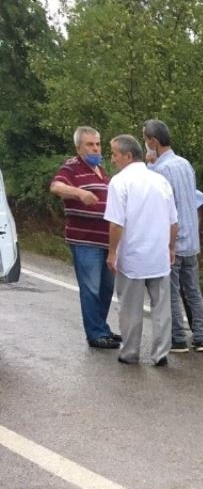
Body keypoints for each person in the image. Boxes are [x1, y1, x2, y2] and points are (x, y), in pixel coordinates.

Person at [104, 135, 178, 367]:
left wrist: (112, 252)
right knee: (161, 307)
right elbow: (173, 221)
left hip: (133, 256)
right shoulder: (160, 180)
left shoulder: (119, 182)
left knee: (130, 307)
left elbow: (116, 224)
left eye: (114, 154)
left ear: (128, 155)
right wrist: (171, 247)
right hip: (158, 255)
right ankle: (160, 353)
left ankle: (130, 352)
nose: (112, 159)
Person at [142, 119, 203, 353]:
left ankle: (178, 338)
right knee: (193, 292)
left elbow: (158, 203)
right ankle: (200, 337)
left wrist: (149, 166)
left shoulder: (161, 170)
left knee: (170, 293)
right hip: (191, 240)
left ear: (153, 141)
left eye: (146, 140)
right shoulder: (184, 164)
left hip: (172, 241)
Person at [50, 126, 120, 349]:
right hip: (85, 240)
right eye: (90, 144)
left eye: (98, 144)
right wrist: (79, 193)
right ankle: (95, 334)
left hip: (106, 240)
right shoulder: (72, 167)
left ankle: (101, 327)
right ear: (78, 147)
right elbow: (56, 186)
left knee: (106, 288)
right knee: (91, 288)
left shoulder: (101, 169)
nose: (96, 148)